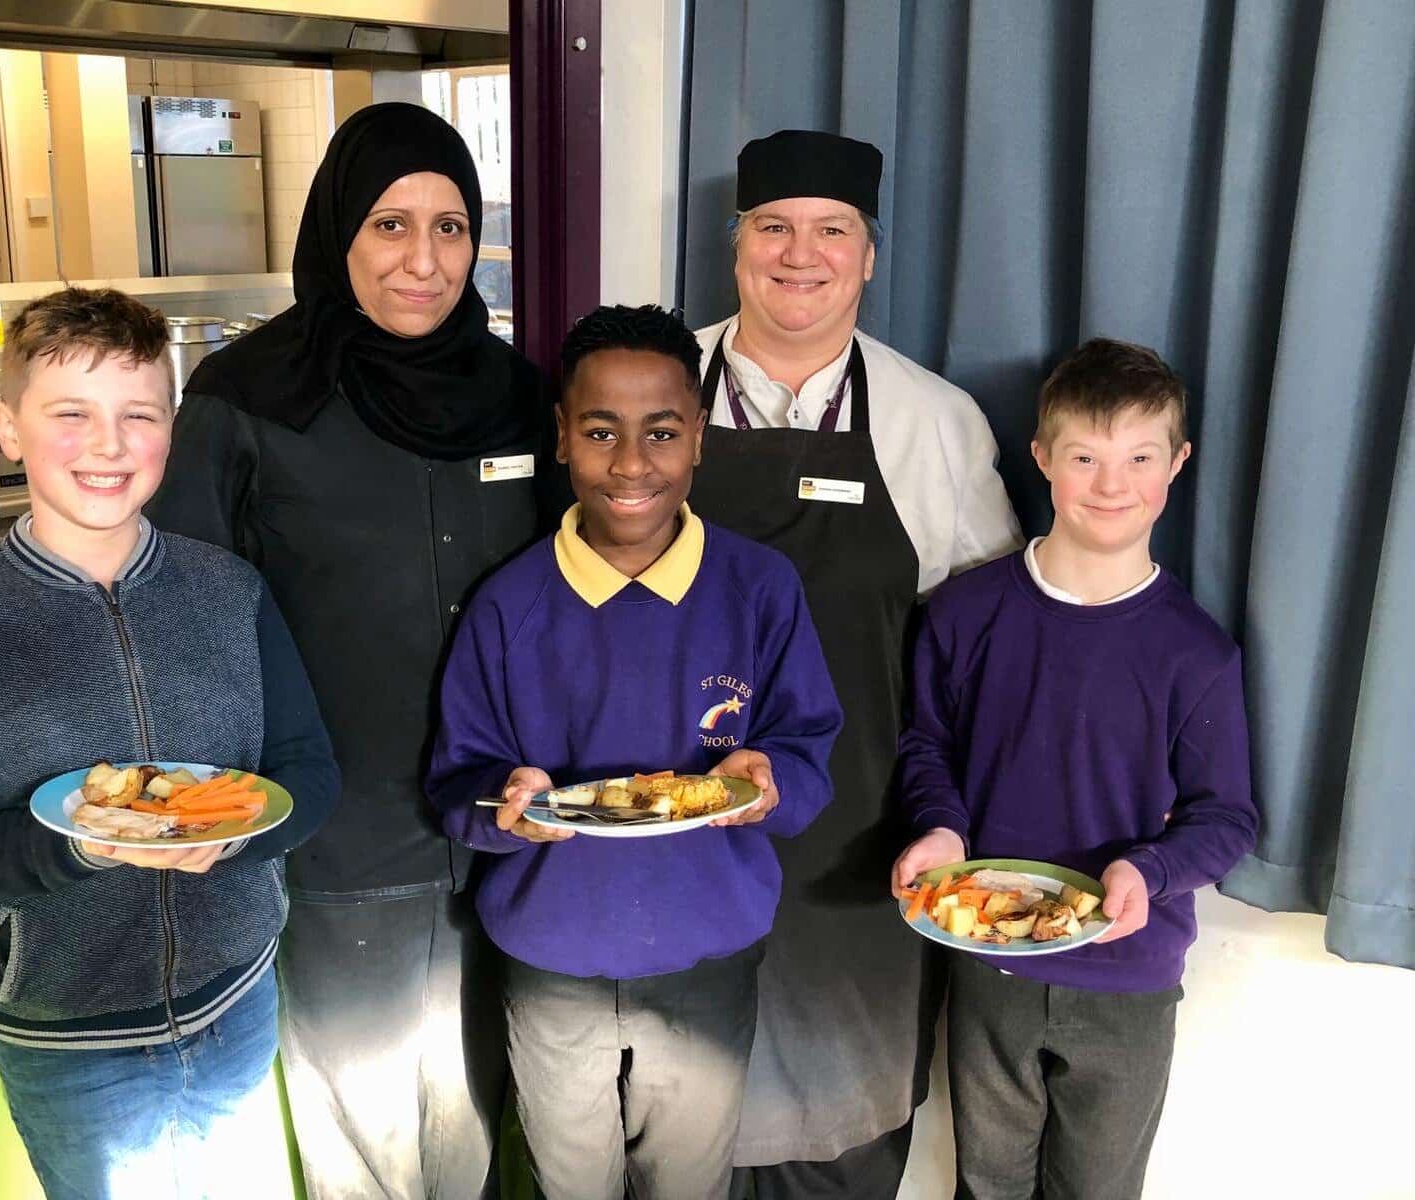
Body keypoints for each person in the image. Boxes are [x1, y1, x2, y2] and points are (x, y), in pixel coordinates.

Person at [144, 102, 548, 1200]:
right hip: (332, 849)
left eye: (452, 227)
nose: (424, 261)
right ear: (336, 232)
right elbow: (177, 621)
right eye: (388, 225)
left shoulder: (520, 397)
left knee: (487, 1133)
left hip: (511, 841)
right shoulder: (247, 401)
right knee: (363, 1156)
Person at [0, 286, 340, 1200]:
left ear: (172, 427)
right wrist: (75, 848)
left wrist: (241, 833)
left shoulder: (229, 590)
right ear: (7, 427)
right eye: (70, 414)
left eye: (139, 415)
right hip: (70, 1043)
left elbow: (309, 775)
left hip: (239, 1003)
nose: (109, 445)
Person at [427, 304, 843, 1200]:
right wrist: (505, 804)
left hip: (708, 955)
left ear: (698, 437)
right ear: (564, 440)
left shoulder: (759, 589)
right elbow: (455, 782)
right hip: (551, 965)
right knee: (569, 1184)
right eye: (600, 432)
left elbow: (809, 753)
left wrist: (768, 781)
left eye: (660, 432)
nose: (630, 464)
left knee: (688, 1185)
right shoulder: (510, 605)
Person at [690, 130, 1024, 1199]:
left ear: (869, 255)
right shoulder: (651, 399)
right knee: (667, 1124)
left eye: (832, 230)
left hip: (859, 849)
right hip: (667, 830)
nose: (801, 254)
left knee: (836, 1143)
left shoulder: (933, 420)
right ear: (733, 242)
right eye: (773, 226)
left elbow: (981, 656)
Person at [890, 338, 1259, 1199]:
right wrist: (940, 827)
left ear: (1178, 463)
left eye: (1139, 457)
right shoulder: (964, 612)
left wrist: (1149, 868)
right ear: (1043, 458)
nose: (1111, 484)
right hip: (989, 964)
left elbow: (1226, 816)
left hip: (1129, 979)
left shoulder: (1195, 651)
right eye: (1086, 457)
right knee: (986, 1184)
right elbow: (927, 746)